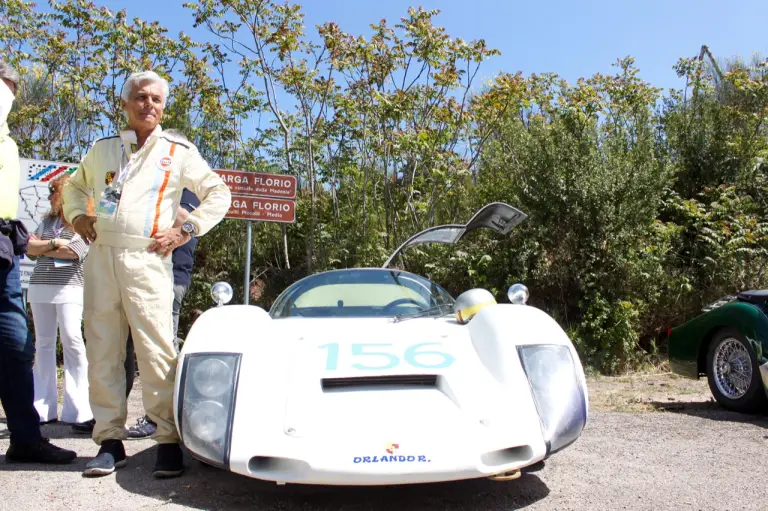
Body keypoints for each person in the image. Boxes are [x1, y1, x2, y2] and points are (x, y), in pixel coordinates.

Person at [63, 70, 231, 478]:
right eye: (141, 97)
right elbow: (72, 187)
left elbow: (218, 193)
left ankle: (168, 441)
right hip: (102, 257)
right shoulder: (103, 149)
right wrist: (77, 218)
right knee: (102, 347)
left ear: (163, 106)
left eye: (156, 99)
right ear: (125, 103)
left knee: (157, 351)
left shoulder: (179, 150)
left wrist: (185, 230)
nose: (149, 105)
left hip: (149, 259)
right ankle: (109, 441)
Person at [72, 186, 201, 439]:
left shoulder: (183, 185)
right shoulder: (130, 177)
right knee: (119, 349)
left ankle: (160, 421)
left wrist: (137, 207)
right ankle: (107, 417)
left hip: (168, 279)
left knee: (159, 348)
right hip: (123, 273)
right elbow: (105, 214)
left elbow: (183, 219)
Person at [0, 60, 76, 464]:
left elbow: (75, 250)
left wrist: (36, 245)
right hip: (27, 267)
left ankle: (26, 436)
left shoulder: (8, 142)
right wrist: (46, 245)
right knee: (30, 343)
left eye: (11, 89)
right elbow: (48, 246)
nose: (8, 96)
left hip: (8, 249)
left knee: (20, 345)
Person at [26, 175, 93, 425]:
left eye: (53, 190)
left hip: (70, 288)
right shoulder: (48, 222)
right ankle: (43, 407)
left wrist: (43, 246)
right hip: (40, 287)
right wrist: (54, 242)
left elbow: (75, 251)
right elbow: (28, 248)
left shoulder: (82, 222)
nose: (49, 195)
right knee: (43, 344)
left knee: (72, 340)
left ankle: (78, 410)